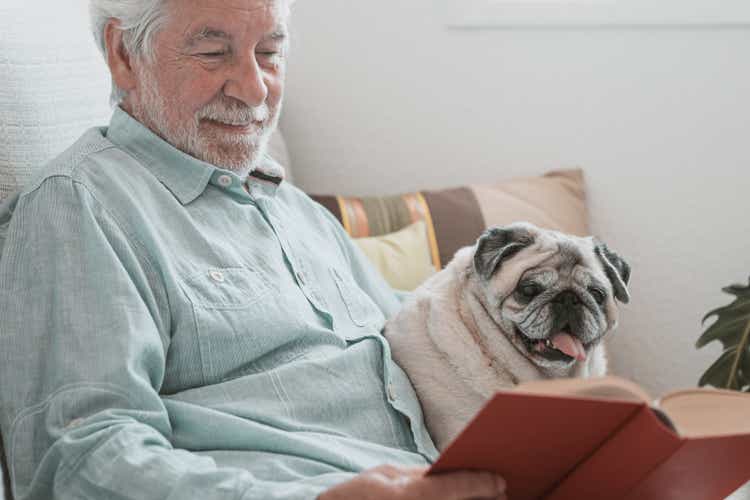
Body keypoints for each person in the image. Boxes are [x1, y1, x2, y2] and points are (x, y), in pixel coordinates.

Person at [0, 1, 508, 499]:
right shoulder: (79, 204)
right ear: (124, 55)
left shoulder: (294, 208)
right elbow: (78, 458)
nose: (253, 87)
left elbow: (418, 339)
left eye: (268, 53)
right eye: (213, 53)